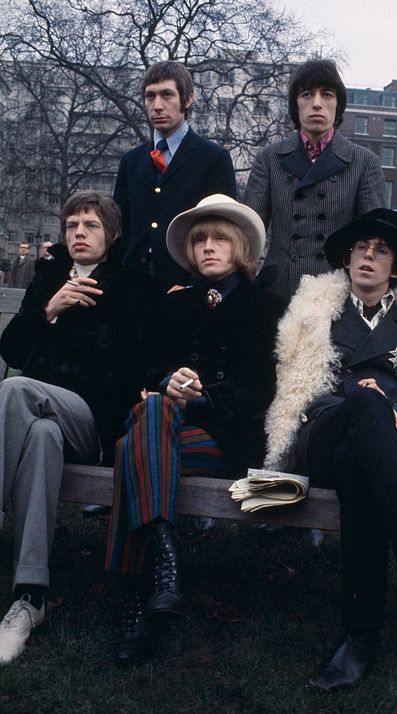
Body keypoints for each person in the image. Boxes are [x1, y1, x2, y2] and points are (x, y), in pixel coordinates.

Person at [264, 208, 397, 691]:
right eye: (361, 248)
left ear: (396, 269)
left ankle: (360, 638)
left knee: (361, 469)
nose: (368, 257)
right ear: (348, 258)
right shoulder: (318, 313)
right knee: (363, 399)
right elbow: (299, 385)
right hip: (327, 427)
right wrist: (368, 404)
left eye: (380, 251)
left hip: (395, 444)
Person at [105, 194, 286, 663]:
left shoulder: (267, 308)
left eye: (219, 238)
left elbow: (262, 391)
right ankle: (161, 572)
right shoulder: (172, 304)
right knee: (150, 418)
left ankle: (134, 600)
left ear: (240, 247)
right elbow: (145, 370)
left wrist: (202, 396)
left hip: (226, 438)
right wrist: (168, 380)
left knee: (132, 449)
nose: (207, 246)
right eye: (200, 238)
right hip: (166, 429)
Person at [0, 191, 155, 664]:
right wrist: (50, 310)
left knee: (14, 390)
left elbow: (131, 369)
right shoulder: (47, 277)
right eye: (71, 226)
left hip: (93, 420)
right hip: (40, 423)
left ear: (111, 235)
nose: (79, 234)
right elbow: (11, 350)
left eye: (90, 225)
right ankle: (30, 598)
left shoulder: (131, 286)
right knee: (41, 433)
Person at [243, 59, 385, 300]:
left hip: (335, 296)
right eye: (307, 94)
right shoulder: (269, 159)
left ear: (338, 104)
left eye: (327, 95)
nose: (317, 104)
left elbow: (372, 241)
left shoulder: (364, 163)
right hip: (276, 293)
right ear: (295, 105)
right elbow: (247, 236)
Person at [114, 61, 237, 292]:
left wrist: (195, 287)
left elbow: (224, 231)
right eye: (150, 97)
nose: (157, 106)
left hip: (186, 287)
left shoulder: (213, 158)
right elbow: (122, 228)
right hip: (131, 287)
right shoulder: (131, 161)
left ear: (187, 99)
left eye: (167, 95)